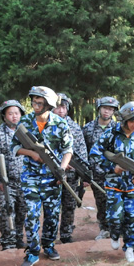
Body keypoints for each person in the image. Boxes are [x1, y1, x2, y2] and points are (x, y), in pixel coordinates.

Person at [11, 86, 73, 266]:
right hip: (30, 177)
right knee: (31, 213)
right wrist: (31, 153)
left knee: (52, 214)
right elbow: (14, 147)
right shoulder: (25, 121)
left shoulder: (60, 124)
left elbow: (68, 149)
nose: (35, 105)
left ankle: (48, 245)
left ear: (48, 105)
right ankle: (32, 251)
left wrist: (61, 169)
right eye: (33, 102)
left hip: (52, 177)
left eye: (39, 102)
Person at [89, 101, 134, 263]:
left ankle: (130, 247)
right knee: (115, 218)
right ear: (124, 121)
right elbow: (94, 154)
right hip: (114, 185)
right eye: (132, 121)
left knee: (132, 217)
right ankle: (115, 235)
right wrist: (112, 167)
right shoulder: (111, 134)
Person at [0, 100, 28, 250]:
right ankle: (8, 241)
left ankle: (18, 238)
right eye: (10, 113)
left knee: (22, 210)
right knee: (7, 211)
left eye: (16, 113)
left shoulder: (25, 133)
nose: (14, 116)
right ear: (4, 116)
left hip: (24, 180)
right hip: (7, 181)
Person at [83, 96, 120, 240]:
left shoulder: (118, 128)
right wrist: (86, 175)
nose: (107, 112)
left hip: (115, 172)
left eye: (110, 109)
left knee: (117, 200)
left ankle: (117, 229)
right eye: (105, 108)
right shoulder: (88, 129)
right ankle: (104, 228)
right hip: (97, 173)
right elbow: (83, 152)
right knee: (101, 201)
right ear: (99, 109)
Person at [56, 93, 87, 243]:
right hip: (53, 175)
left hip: (72, 175)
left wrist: (84, 173)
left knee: (69, 206)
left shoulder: (74, 127)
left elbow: (81, 151)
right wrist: (60, 164)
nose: (60, 110)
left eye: (63, 107)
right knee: (52, 206)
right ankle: (49, 235)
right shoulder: (47, 126)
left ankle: (66, 234)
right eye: (57, 107)